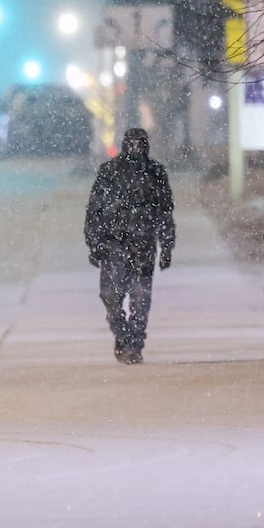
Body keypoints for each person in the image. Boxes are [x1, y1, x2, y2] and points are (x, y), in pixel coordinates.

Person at [84, 127, 175, 364]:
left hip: (143, 246)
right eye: (131, 143)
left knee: (140, 298)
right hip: (114, 244)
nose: (136, 148)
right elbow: (95, 210)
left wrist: (166, 246)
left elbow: (165, 213)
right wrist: (94, 243)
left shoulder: (156, 173)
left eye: (140, 143)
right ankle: (122, 333)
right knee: (110, 296)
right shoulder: (109, 172)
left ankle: (134, 343)